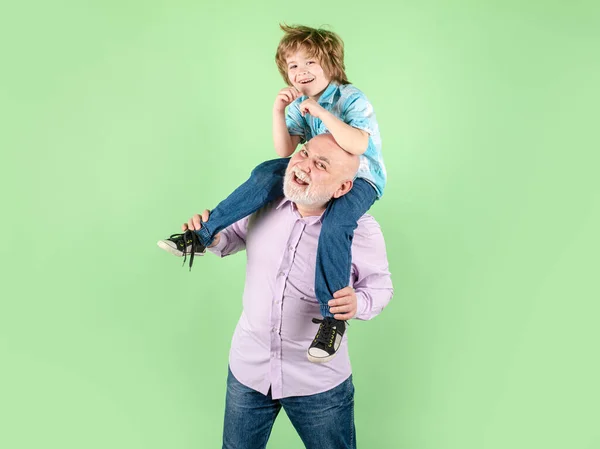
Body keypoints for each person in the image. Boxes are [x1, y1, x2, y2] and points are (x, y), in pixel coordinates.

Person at [158, 24, 386, 362]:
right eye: (293, 67)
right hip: (314, 170)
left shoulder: (349, 98)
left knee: (336, 225)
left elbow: (358, 144)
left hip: (361, 178)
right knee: (266, 172)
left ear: (331, 65)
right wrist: (279, 113)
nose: (301, 72)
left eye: (310, 62)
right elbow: (285, 154)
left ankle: (332, 320)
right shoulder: (299, 105)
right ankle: (202, 236)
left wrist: (323, 113)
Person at [182, 134, 392, 449]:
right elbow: (235, 236)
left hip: (317, 381)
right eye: (304, 153)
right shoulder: (264, 202)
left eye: (321, 164)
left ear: (343, 188)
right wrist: (212, 238)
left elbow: (380, 286)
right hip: (249, 368)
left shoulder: (361, 230)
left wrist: (358, 303)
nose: (304, 166)